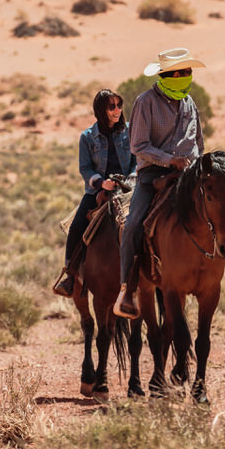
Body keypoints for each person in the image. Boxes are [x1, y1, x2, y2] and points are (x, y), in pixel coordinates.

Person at [113, 46, 225, 319]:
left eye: (188, 72)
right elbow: (138, 146)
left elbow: (199, 143)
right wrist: (169, 160)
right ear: (165, 75)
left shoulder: (190, 103)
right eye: (179, 72)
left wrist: (198, 164)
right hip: (153, 175)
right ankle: (129, 289)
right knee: (134, 221)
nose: (185, 76)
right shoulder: (145, 102)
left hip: (192, 174)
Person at [53, 88, 136, 298]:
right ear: (101, 110)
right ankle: (70, 275)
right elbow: (85, 168)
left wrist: (130, 180)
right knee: (77, 226)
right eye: (112, 107)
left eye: (119, 105)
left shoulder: (130, 130)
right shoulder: (87, 137)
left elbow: (137, 161)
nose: (117, 110)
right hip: (97, 190)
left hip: (128, 189)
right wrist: (101, 183)